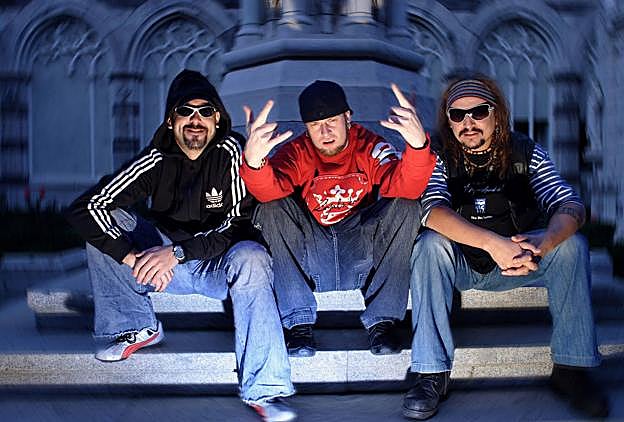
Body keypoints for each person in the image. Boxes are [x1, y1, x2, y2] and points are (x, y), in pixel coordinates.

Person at [66, 69, 296, 421]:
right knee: (107, 219)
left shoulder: (232, 152)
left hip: (220, 265)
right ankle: (136, 326)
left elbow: (235, 226)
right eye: (185, 111)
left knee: (252, 256)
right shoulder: (156, 159)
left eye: (205, 111)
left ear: (217, 118)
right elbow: (86, 207)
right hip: (166, 268)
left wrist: (176, 253)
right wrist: (132, 258)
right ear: (171, 120)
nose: (195, 120)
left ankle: (264, 390)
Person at [403, 74, 608, 419]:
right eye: (457, 115)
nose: (468, 122)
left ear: (496, 114)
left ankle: (571, 369)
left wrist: (545, 242)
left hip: (522, 258)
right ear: (448, 121)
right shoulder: (437, 152)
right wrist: (492, 244)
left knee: (572, 245)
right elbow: (432, 210)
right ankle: (431, 373)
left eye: (478, 112)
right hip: (464, 262)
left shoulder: (525, 151)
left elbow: (568, 203)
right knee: (429, 245)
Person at [240, 80, 436, 357]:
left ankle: (382, 322)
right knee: (271, 208)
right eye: (315, 125)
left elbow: (406, 188)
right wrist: (254, 164)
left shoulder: (369, 145)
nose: (325, 132)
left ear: (348, 117)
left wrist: (417, 147)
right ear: (306, 128)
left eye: (332, 121)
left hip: (360, 251)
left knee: (406, 205)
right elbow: (268, 192)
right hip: (312, 256)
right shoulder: (297, 152)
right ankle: (298, 323)